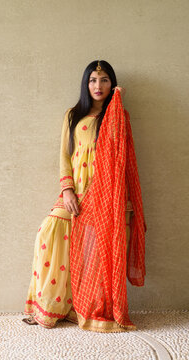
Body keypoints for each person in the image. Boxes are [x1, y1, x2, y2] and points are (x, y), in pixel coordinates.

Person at [22, 60, 147, 332]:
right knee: (48, 233)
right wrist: (67, 189)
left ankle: (84, 308)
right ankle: (50, 307)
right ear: (85, 83)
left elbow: (121, 157)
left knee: (95, 256)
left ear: (112, 84)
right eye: (92, 80)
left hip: (105, 196)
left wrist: (116, 104)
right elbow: (64, 156)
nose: (98, 86)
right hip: (77, 191)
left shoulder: (118, 116)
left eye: (104, 80)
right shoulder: (72, 115)